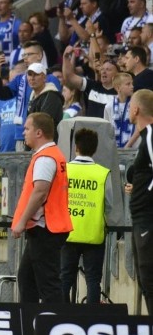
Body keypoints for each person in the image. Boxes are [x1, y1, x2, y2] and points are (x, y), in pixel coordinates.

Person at [11, 111, 73, 304]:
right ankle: (31, 325)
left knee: (48, 284)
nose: (24, 132)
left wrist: (21, 221)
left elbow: (40, 192)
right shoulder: (51, 155)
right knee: (27, 278)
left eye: (27, 128)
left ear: (39, 133)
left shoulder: (46, 158)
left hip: (45, 227)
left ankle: (56, 327)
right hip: (46, 227)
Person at [61, 128, 111, 305]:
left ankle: (61, 317)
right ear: (95, 149)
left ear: (76, 147)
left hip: (67, 232)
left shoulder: (64, 170)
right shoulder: (103, 173)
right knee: (93, 280)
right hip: (94, 234)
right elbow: (110, 205)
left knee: (64, 279)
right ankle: (91, 320)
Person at [126, 89, 153, 315]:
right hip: (140, 216)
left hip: (148, 217)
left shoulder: (152, 133)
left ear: (136, 109)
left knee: (149, 276)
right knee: (145, 279)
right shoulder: (145, 138)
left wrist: (146, 192)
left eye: (129, 106)